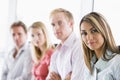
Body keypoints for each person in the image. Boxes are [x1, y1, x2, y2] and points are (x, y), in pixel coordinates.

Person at [46, 8, 85, 80]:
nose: (56, 28)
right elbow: (50, 78)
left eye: (60, 23)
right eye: (53, 25)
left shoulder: (79, 46)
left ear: (71, 24)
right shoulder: (56, 52)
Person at [79, 12, 120, 80]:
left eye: (94, 31)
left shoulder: (117, 62)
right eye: (84, 33)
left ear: (104, 31)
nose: (89, 38)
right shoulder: (88, 66)